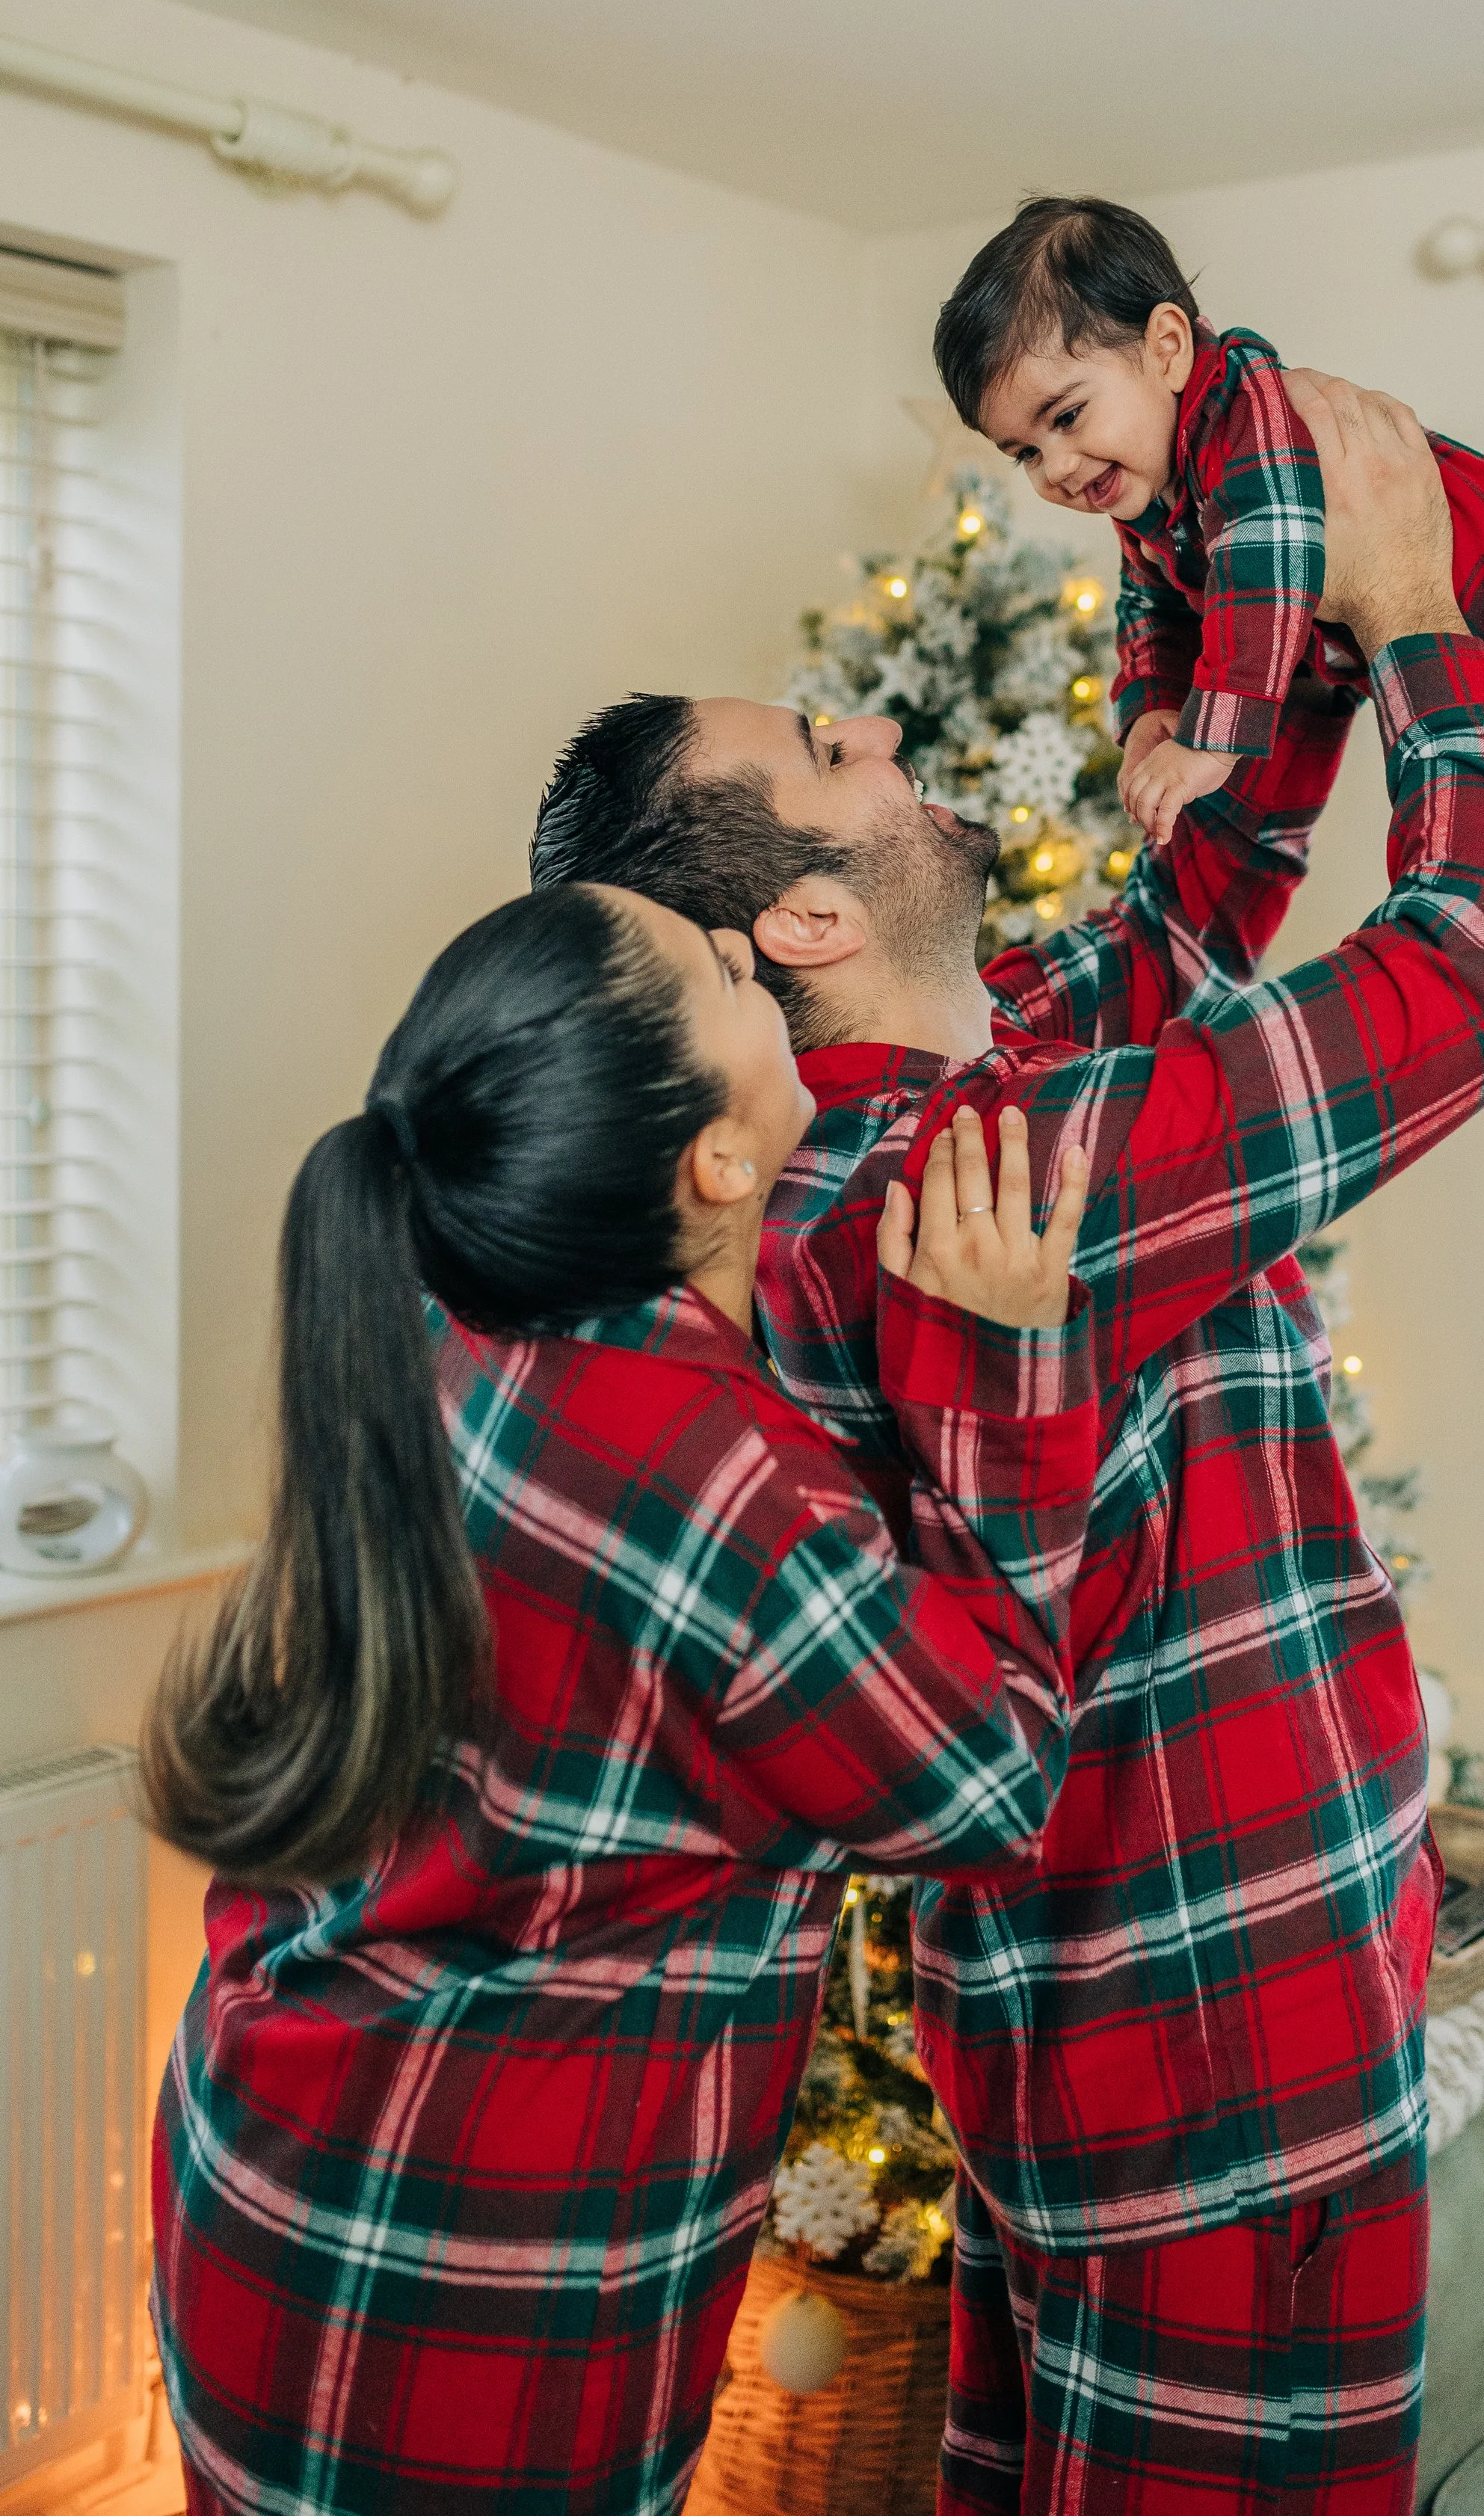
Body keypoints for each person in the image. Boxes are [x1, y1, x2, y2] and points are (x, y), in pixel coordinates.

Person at [529, 384, 1484, 2513]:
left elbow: (1186, 913)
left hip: (1082, 2064)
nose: (869, 733)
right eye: (817, 755)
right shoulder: (1016, 1170)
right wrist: (1408, 615)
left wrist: (1238, 613)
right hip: (1231, 2074)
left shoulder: (953, 1092)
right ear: (808, 927)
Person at [141, 879, 1095, 2516]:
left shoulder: (471, 1316)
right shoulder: (703, 1469)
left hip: (271, 2170)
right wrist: (1002, 1376)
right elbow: (992, 1783)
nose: (752, 946)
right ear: (717, 1165)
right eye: (720, 968)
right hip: (463, 2283)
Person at [934, 193, 1484, 1064]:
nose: (1054, 467)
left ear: (1167, 348)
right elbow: (1153, 603)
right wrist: (1151, 711)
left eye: (1065, 417)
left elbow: (1269, 559)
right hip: (1375, 648)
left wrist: (1211, 737)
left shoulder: (1246, 413)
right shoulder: (1146, 485)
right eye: (1022, 451)